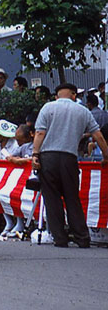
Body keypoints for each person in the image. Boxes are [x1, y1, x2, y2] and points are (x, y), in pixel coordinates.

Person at [32, 83, 108, 248]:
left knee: (52, 198)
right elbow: (99, 136)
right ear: (74, 95)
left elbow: (39, 133)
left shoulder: (48, 108)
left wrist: (35, 155)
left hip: (48, 157)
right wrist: (106, 156)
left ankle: (60, 238)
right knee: (72, 198)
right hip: (69, 158)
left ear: (57, 95)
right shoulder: (83, 111)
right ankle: (82, 237)